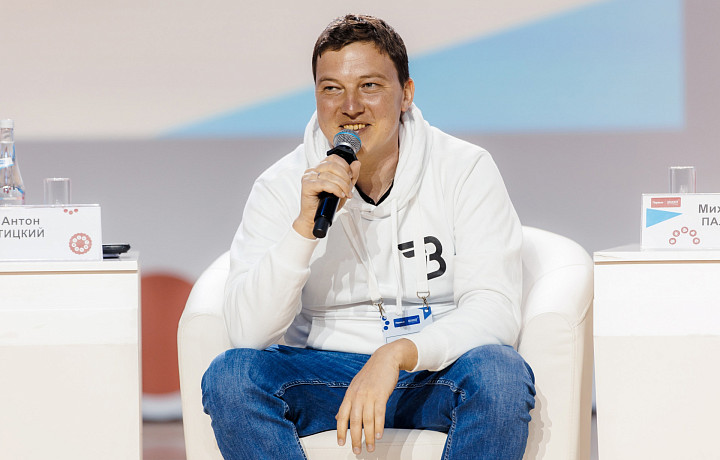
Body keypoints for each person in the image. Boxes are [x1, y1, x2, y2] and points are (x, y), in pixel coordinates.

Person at [201, 14, 535, 460]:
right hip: (326, 376)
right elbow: (248, 332)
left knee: (500, 374)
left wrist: (397, 354)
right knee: (231, 376)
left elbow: (494, 308)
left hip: (432, 371)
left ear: (406, 94)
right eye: (331, 88)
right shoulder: (280, 185)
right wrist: (304, 229)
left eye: (370, 86)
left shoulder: (464, 169)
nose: (350, 106)